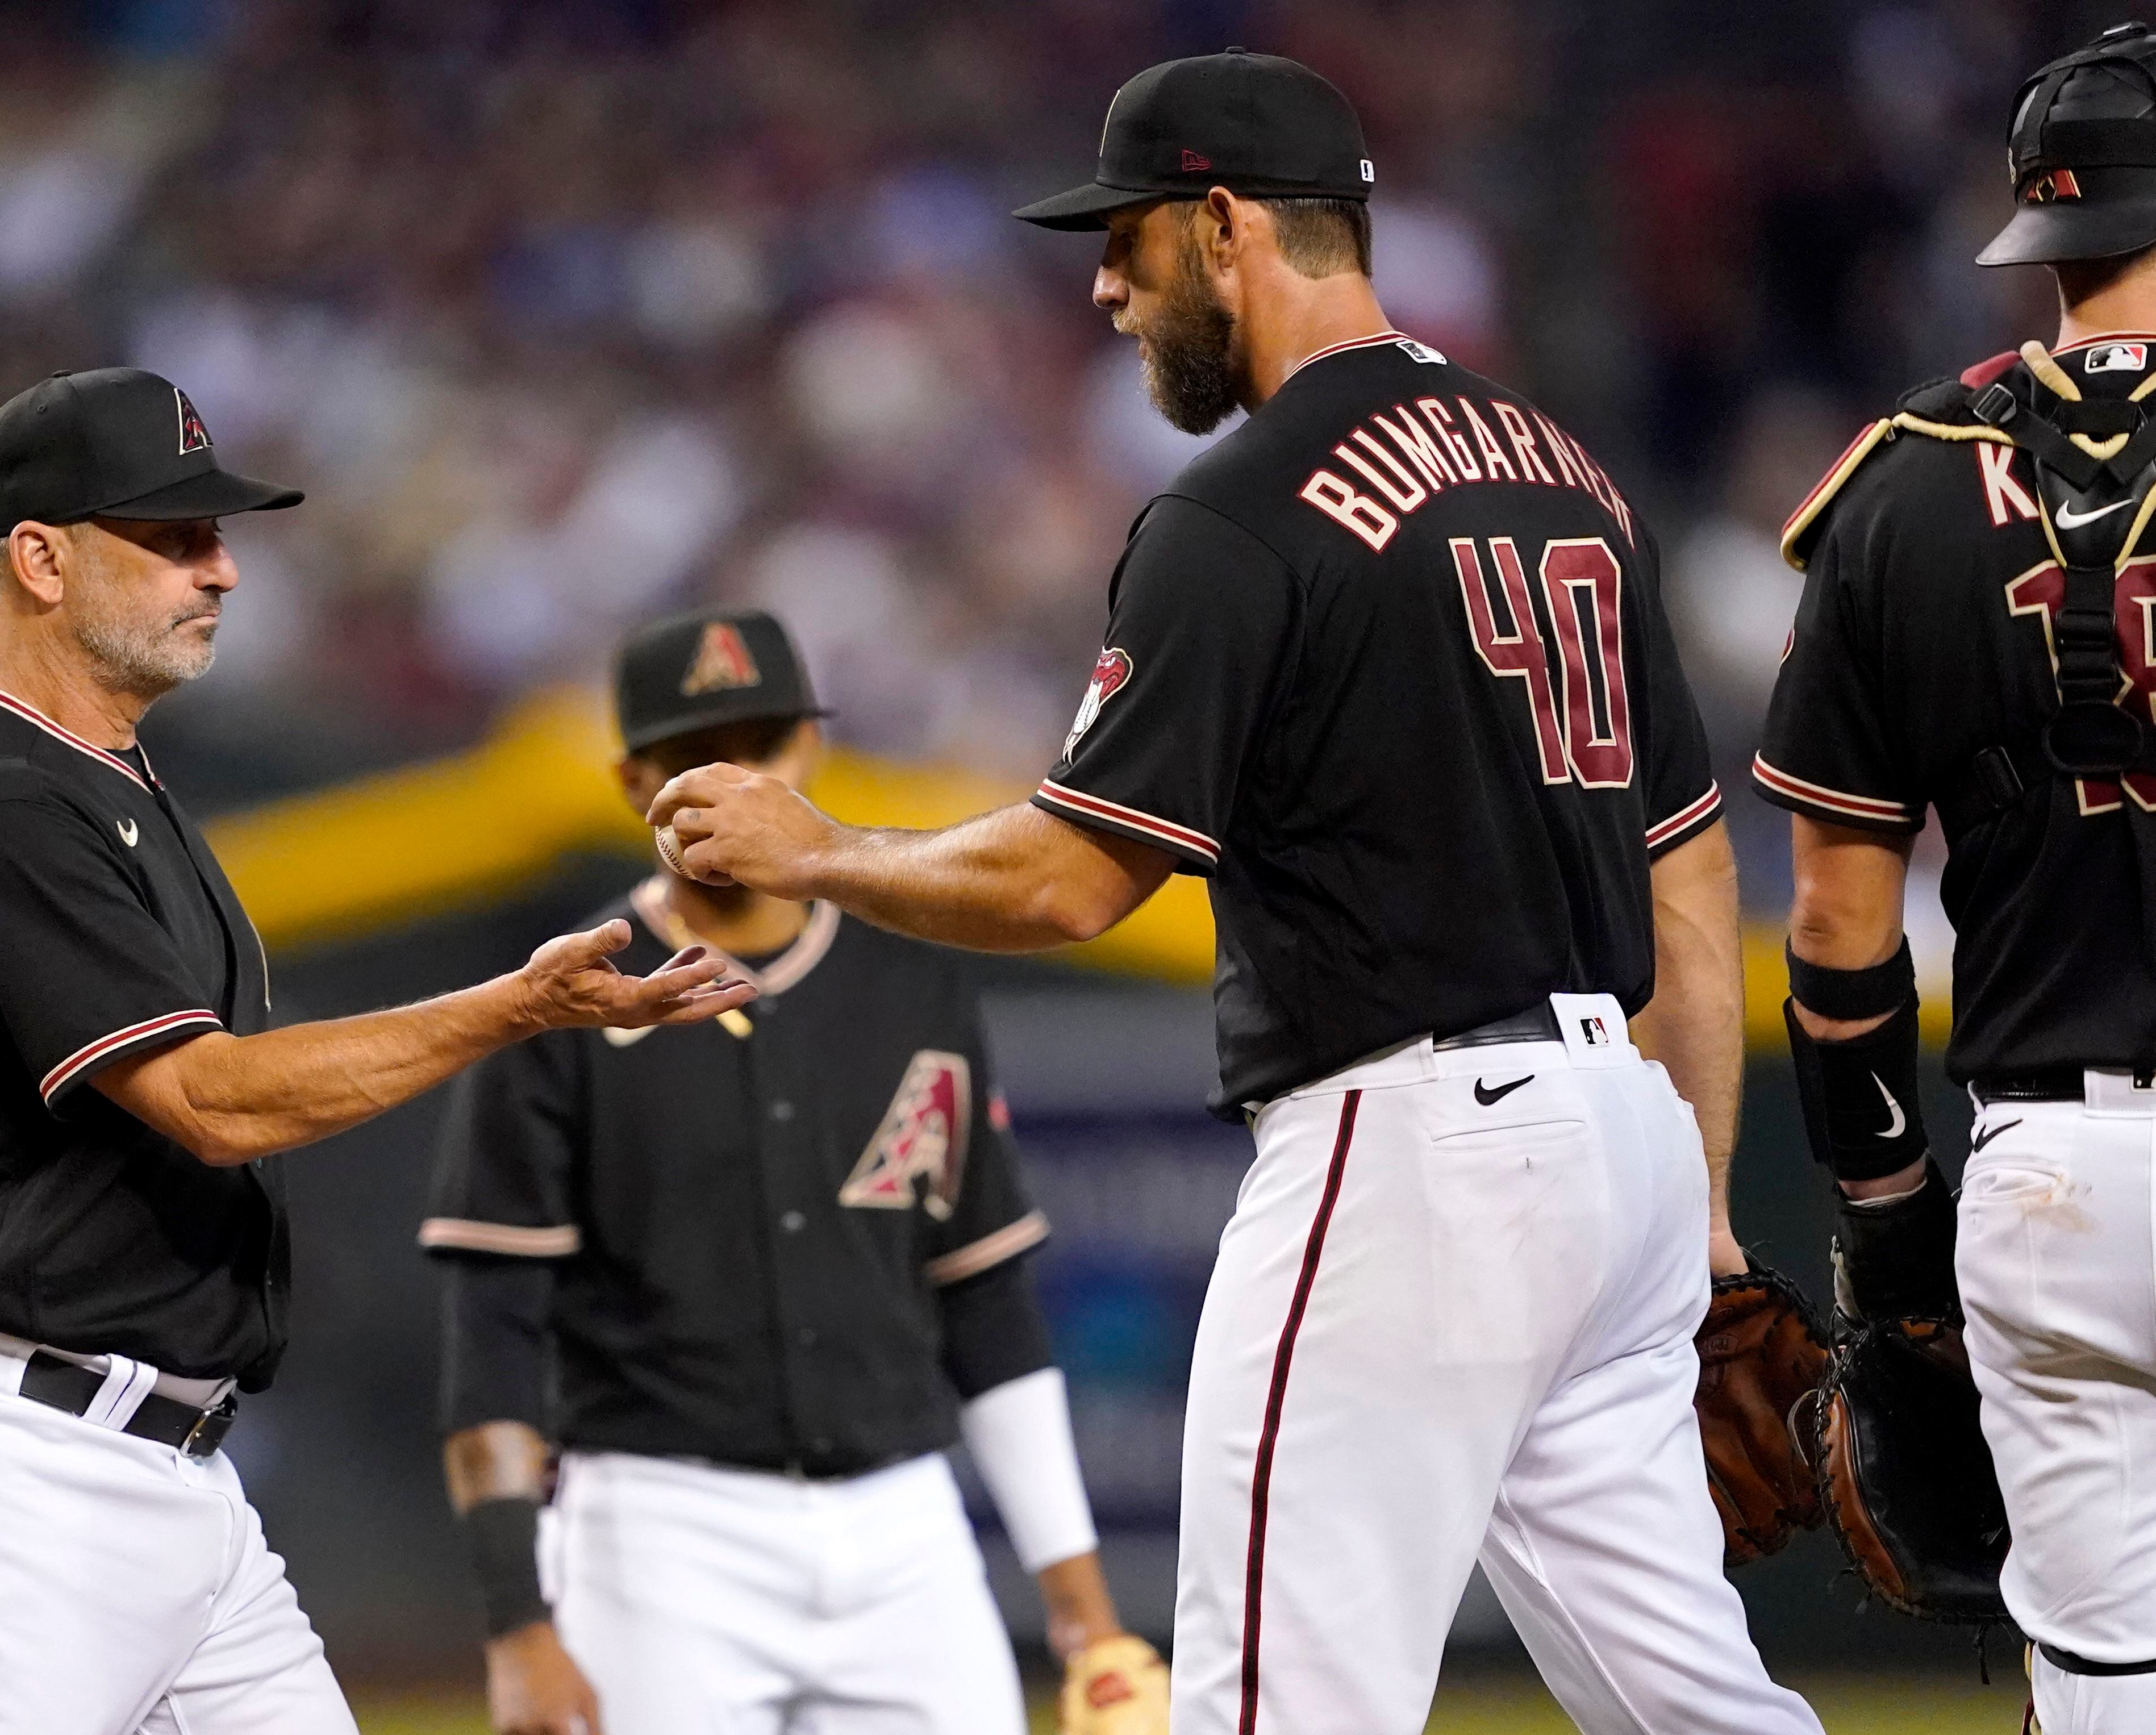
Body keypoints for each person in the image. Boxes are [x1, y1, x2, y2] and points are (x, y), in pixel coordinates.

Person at [647, 51, 1820, 1735]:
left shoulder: (1240, 507)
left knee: (1271, 1703)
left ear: (1221, 224)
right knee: (1696, 1702)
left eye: (1125, 239)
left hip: (1414, 1149)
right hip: (1617, 1148)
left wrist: (815, 848)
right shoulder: (1559, 466)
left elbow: (1068, 883)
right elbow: (1688, 863)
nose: (1104, 285)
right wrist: (1698, 1207)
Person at [0, 368, 751, 1734]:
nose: (224, 568)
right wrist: (516, 1005)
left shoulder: (108, 783)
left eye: (219, 534)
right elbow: (208, 1101)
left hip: (169, 1476)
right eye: (176, 537)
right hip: (7, 1464)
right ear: (40, 559)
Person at [423, 607, 1168, 1735]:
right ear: (631, 782)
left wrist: (1084, 1618)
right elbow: (493, 1337)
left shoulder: (913, 974)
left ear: (809, 752)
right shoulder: (564, 998)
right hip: (658, 1529)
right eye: (694, 754)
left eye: (762, 742)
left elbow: (986, 1303)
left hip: (904, 1525)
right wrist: (517, 1622)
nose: (736, 778)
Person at [1760, 23, 2156, 1729]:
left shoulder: (1902, 483)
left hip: (2051, 1175)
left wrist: (1883, 1219)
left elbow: (1837, 928)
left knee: (2096, 1677)